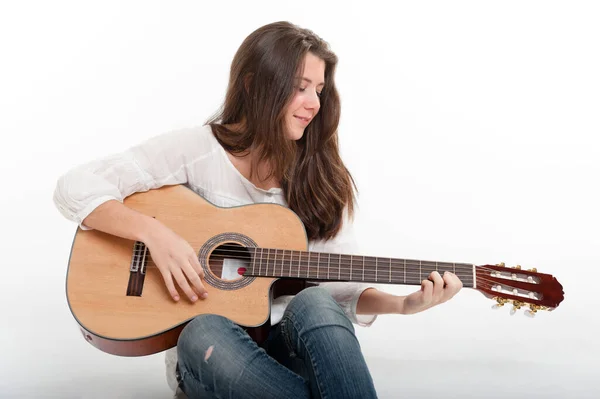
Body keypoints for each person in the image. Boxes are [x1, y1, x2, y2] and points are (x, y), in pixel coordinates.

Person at [53, 21, 463, 399]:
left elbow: (341, 286)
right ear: (253, 85)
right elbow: (75, 186)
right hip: (211, 360)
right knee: (204, 327)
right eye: (300, 86)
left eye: (319, 90)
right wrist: (154, 235)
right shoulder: (195, 150)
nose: (314, 103)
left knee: (315, 302)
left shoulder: (320, 176)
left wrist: (404, 305)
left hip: (285, 355)